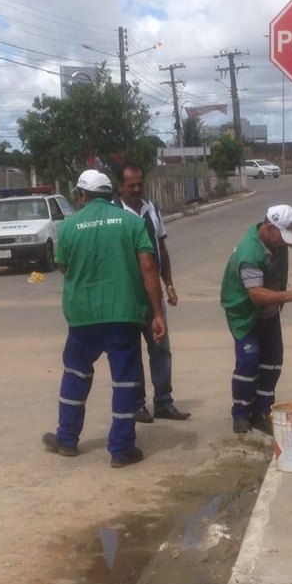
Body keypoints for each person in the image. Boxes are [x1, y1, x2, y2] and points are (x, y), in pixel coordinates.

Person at [42, 169, 166, 468]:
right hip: (123, 314)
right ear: (110, 194)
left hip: (82, 316)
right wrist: (157, 313)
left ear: (82, 195)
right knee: (125, 381)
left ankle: (67, 440)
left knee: (75, 375)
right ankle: (121, 450)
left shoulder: (69, 227)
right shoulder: (132, 223)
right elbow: (149, 267)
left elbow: (63, 267)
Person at [220, 204, 292, 435]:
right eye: (282, 238)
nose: (285, 243)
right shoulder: (249, 254)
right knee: (248, 364)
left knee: (272, 363)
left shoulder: (278, 237)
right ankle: (240, 414)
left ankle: (262, 412)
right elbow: (256, 295)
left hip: (269, 312)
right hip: (245, 314)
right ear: (268, 228)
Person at [113, 163, 190, 423]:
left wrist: (168, 283)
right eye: (130, 185)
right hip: (127, 295)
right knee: (131, 350)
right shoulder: (113, 214)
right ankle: (137, 405)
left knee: (161, 348)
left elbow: (161, 248)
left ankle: (164, 402)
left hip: (153, 292)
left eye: (139, 184)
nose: (136, 189)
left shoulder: (152, 209)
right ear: (119, 186)